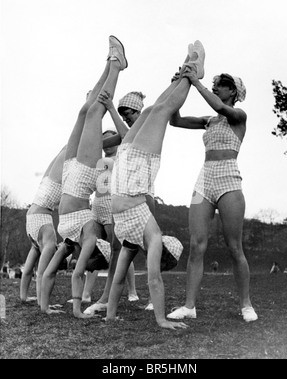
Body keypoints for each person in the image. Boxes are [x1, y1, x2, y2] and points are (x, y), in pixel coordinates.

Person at [104, 40, 206, 330]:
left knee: (157, 110)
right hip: (130, 175)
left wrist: (160, 319)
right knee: (153, 110)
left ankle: (190, 73)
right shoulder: (143, 235)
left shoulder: (137, 239)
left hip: (129, 172)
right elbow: (139, 278)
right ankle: (184, 75)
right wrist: (158, 320)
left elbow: (145, 279)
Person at [40, 35, 127, 318]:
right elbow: (77, 275)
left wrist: (44, 306)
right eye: (86, 260)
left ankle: (114, 64)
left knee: (84, 113)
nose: (80, 262)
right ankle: (114, 66)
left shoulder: (68, 242)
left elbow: (50, 272)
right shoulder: (89, 235)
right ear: (92, 253)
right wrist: (77, 310)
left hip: (70, 178)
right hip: (82, 179)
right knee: (92, 114)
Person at [167, 64, 258, 322]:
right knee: (196, 245)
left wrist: (196, 82)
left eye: (221, 85)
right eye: (214, 84)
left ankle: (246, 304)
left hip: (229, 178)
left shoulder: (238, 115)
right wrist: (179, 85)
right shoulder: (209, 121)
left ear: (232, 91)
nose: (216, 87)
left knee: (234, 246)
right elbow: (176, 120)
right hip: (204, 179)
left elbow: (219, 107)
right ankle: (189, 306)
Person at [84, 92, 151, 315]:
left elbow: (126, 136)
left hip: (143, 195)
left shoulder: (144, 127)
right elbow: (98, 143)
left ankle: (150, 295)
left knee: (150, 247)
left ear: (139, 111)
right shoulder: (123, 134)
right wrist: (93, 111)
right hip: (123, 197)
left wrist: (111, 108)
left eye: (127, 113)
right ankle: (105, 298)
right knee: (117, 249)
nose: (125, 118)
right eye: (122, 115)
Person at [78, 129, 139, 308]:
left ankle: (132, 291)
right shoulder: (99, 161)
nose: (106, 144)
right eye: (103, 140)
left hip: (112, 204)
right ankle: (86, 294)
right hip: (97, 204)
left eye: (109, 140)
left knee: (118, 249)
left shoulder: (120, 158)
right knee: (95, 249)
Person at [20, 145, 66, 305]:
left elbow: (27, 272)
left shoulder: (44, 242)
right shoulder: (49, 241)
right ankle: (41, 302)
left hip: (35, 213)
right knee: (67, 152)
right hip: (38, 214)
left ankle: (24, 297)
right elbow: (42, 274)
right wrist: (43, 306)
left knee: (65, 151)